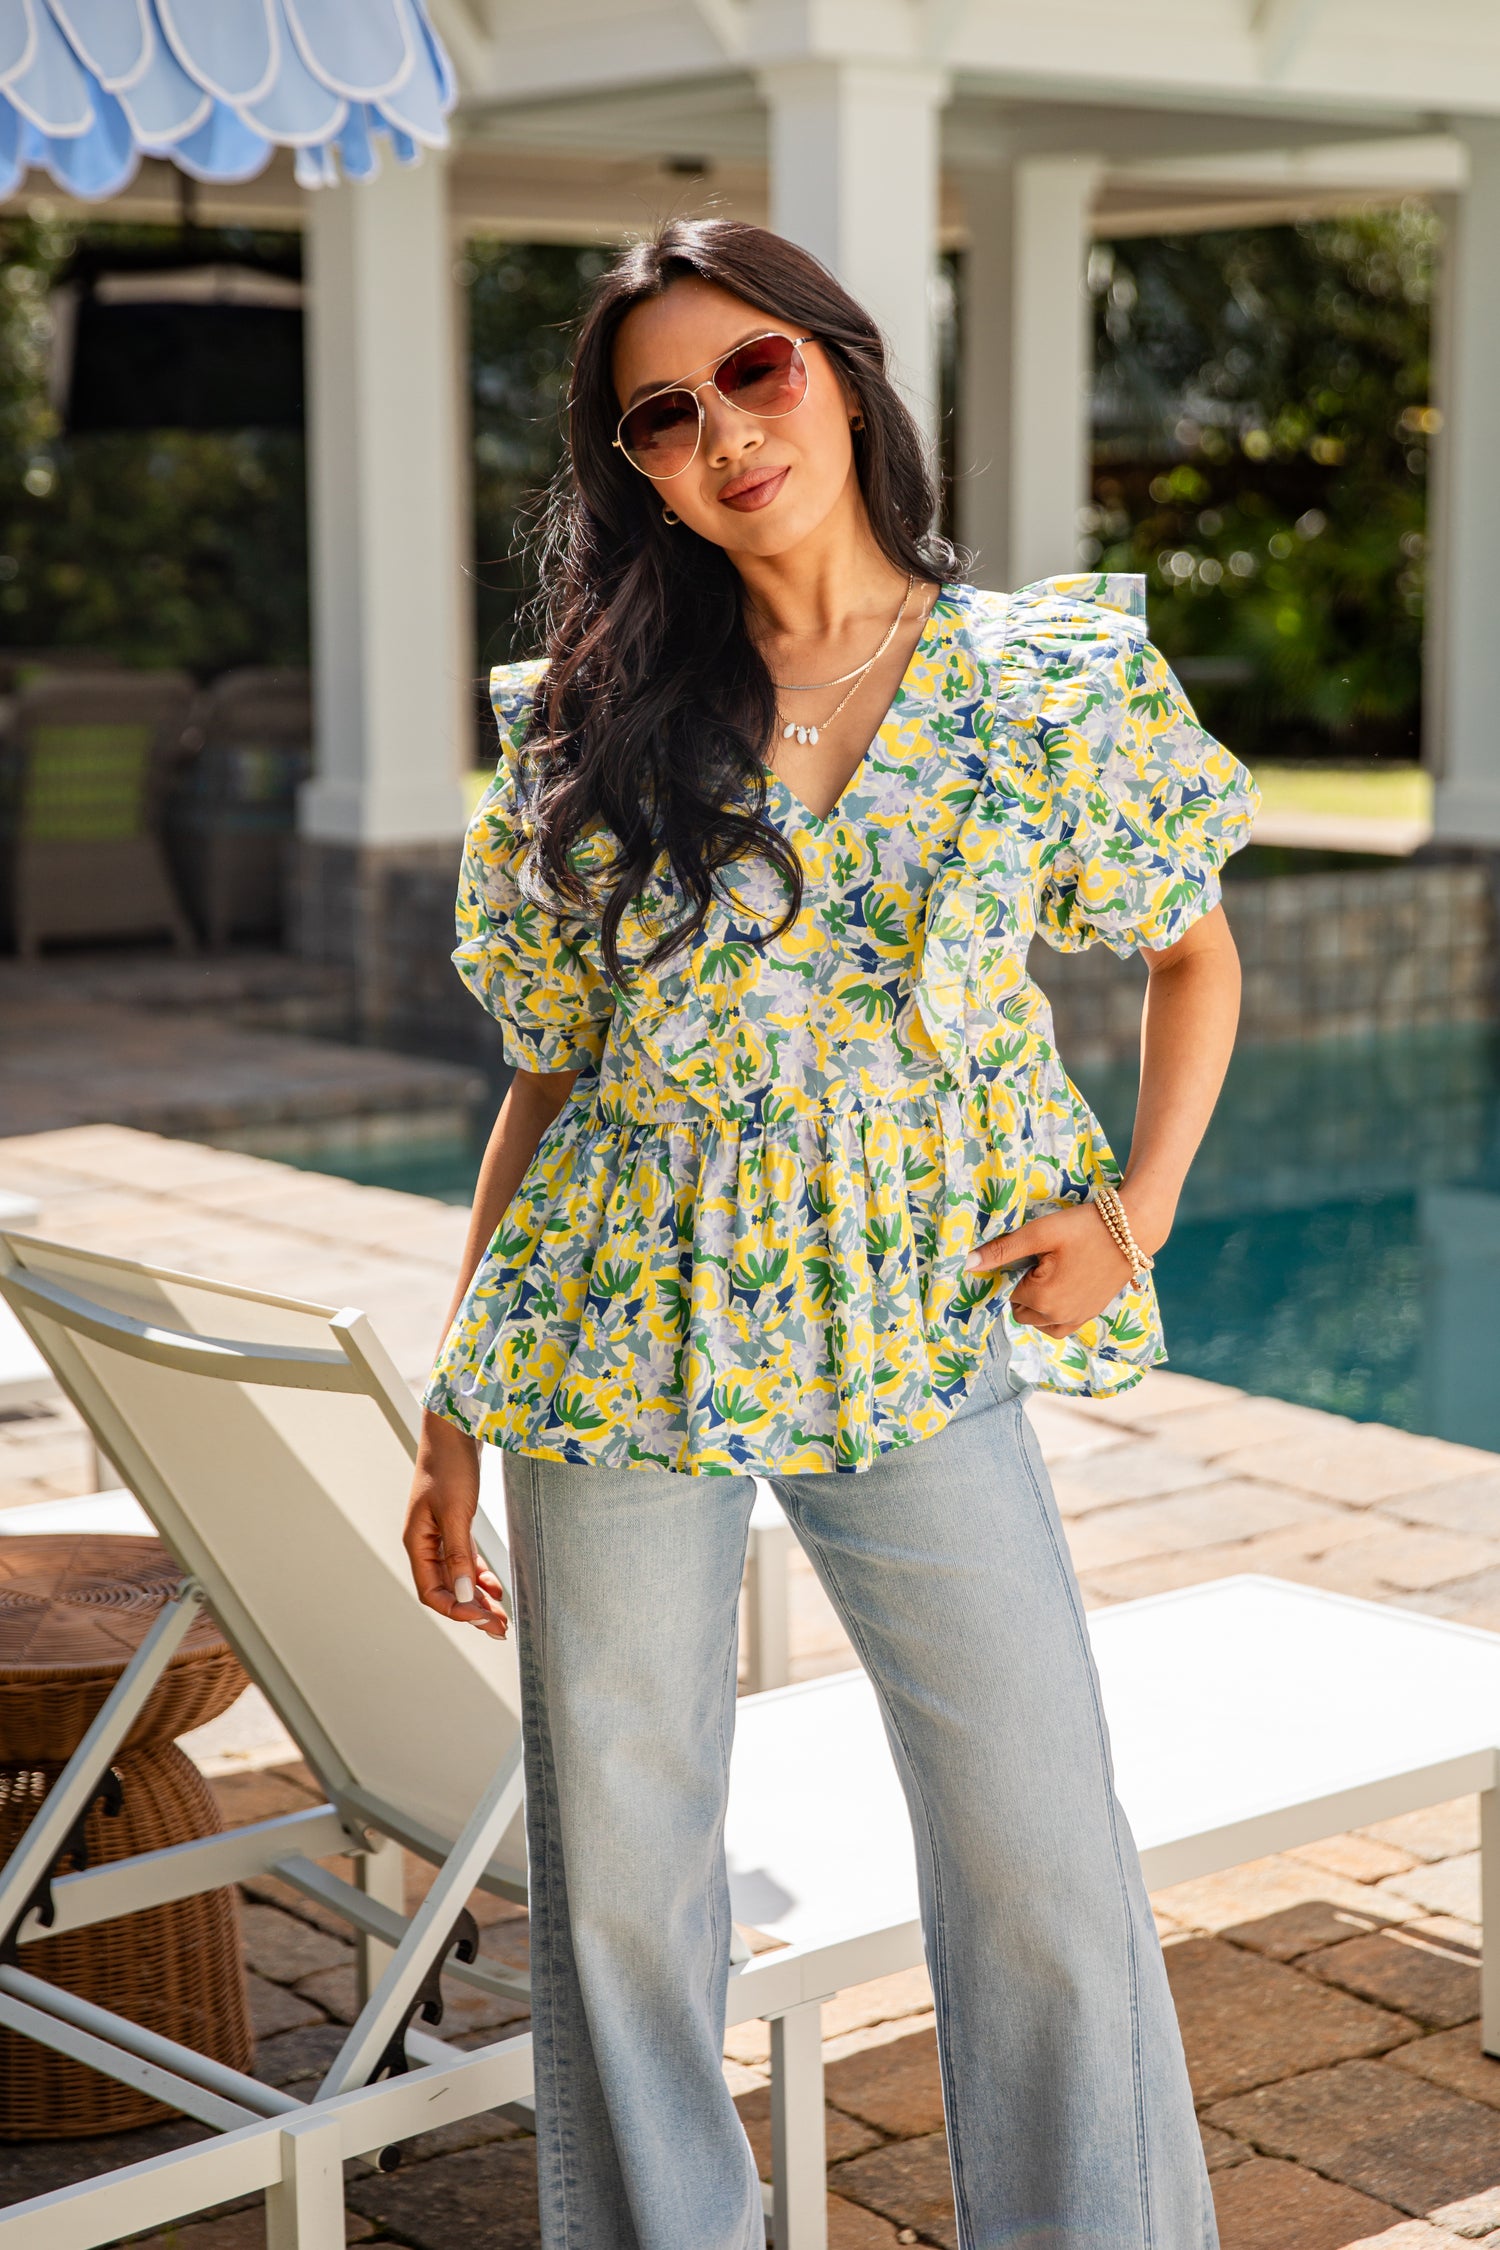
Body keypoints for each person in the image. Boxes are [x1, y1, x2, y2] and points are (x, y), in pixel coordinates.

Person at [403, 217, 1256, 2250]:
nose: (722, 433)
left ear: (845, 371)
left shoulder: (1043, 679)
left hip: (915, 1320)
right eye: (663, 416)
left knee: (1039, 1839)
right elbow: (551, 1071)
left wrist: (1130, 1215)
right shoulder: (583, 723)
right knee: (620, 1876)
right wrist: (453, 1397)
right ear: (639, 470)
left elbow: (1194, 955)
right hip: (606, 1319)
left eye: (754, 373)